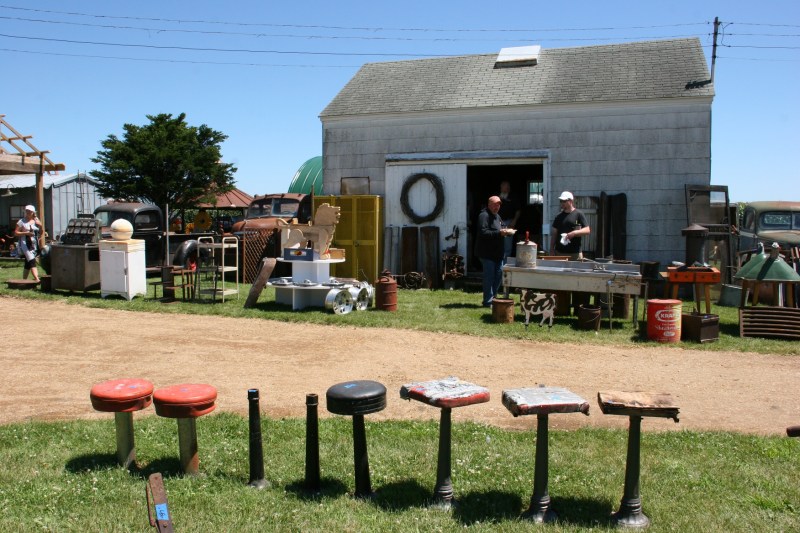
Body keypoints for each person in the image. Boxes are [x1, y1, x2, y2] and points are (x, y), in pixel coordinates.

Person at [476, 195, 516, 307]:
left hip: (498, 253)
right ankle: (487, 301)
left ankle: (493, 298)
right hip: (487, 253)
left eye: (498, 204)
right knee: (489, 277)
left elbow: (502, 227)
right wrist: (499, 233)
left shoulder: (497, 216)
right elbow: (483, 232)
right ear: (489, 204)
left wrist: (507, 231)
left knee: (498, 276)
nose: (496, 206)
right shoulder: (483, 216)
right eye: (494, 204)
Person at [550, 191, 591, 260]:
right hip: (559, 253)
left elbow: (587, 230)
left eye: (564, 201)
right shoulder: (558, 216)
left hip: (575, 253)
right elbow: (554, 234)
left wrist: (574, 233)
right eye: (561, 201)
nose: (562, 203)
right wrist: (551, 249)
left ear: (571, 201)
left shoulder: (579, 214)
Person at [15, 204, 42, 281]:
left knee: (28, 263)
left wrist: (40, 226)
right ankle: (37, 279)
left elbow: (41, 232)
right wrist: (26, 233)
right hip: (25, 244)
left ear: (33, 212)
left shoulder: (36, 221)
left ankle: (24, 280)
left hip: (34, 245)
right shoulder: (21, 221)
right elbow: (16, 232)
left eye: (29, 211)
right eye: (26, 211)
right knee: (32, 261)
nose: (27, 212)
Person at [498, 180, 521, 260]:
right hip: (498, 223)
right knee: (498, 244)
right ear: (501, 187)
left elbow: (518, 210)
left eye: (508, 187)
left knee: (507, 246)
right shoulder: (497, 197)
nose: (507, 188)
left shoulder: (513, 197)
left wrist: (514, 221)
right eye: (505, 186)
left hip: (509, 223)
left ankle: (505, 266)